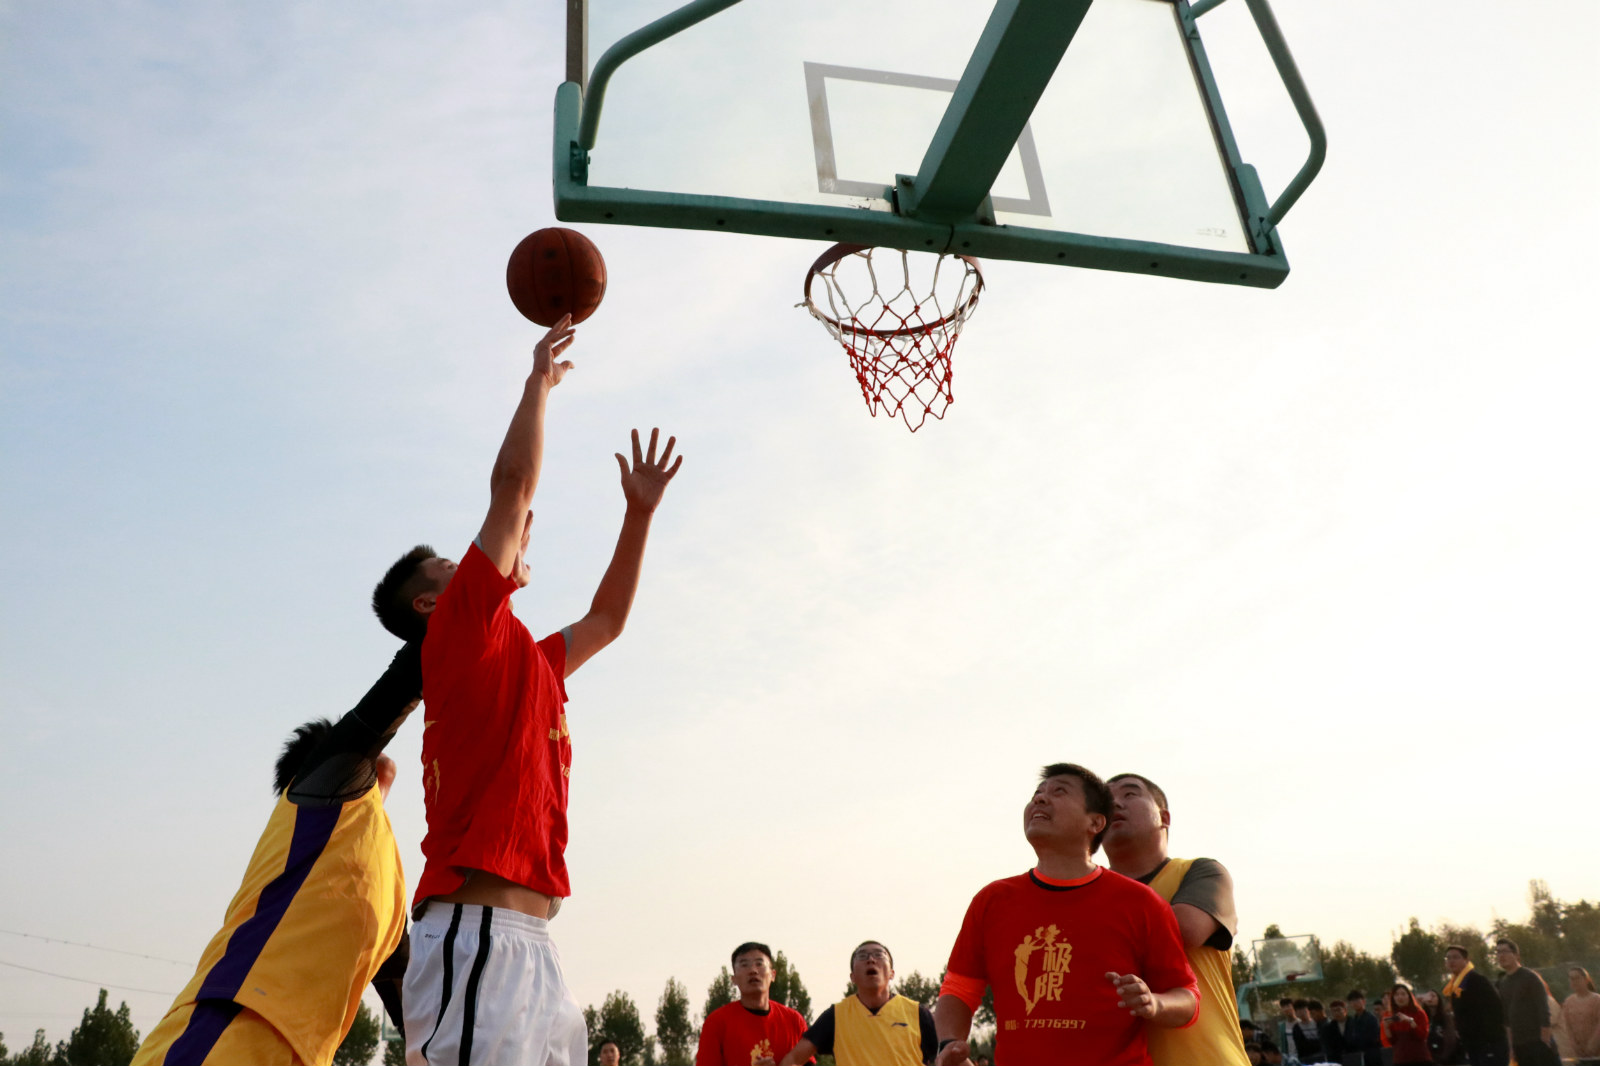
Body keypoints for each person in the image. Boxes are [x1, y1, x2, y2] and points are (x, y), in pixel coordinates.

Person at [375, 318, 684, 1066]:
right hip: (474, 934)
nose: (479, 555)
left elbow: (607, 621)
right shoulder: (458, 633)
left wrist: (638, 515)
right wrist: (537, 385)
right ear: (429, 604)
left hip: (530, 945)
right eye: (453, 562)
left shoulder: (528, 659)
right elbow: (512, 489)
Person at [132, 644, 422, 1066]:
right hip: (225, 1035)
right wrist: (451, 617)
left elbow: (417, 1013)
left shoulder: (383, 888)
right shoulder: (318, 799)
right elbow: (396, 690)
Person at [932, 763, 1199, 1066]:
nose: (1040, 800)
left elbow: (1188, 997)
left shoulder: (1140, 903)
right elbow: (959, 987)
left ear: (1096, 822)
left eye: (1058, 791)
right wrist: (949, 1044)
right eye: (1037, 794)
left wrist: (1155, 1003)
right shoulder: (992, 900)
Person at [1102, 773, 1251, 1066]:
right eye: (1105, 801)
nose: (1115, 803)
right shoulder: (1089, 893)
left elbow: (1183, 931)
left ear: (1164, 817)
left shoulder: (1201, 872)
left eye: (1130, 794)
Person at [779, 941, 935, 1066]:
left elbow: (951, 1055)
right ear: (852, 977)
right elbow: (792, 1060)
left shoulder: (917, 1013)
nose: (871, 960)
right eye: (862, 956)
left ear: (892, 973)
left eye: (879, 955)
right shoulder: (836, 1016)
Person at [697, 942, 809, 1066]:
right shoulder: (717, 1022)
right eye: (744, 965)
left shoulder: (794, 1021)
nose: (753, 970)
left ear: (772, 975)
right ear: (734, 979)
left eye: (759, 964)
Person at [1495, 938, 1558, 1066]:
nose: (1501, 955)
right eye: (1498, 952)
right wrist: (1512, 1047)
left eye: (1505, 951)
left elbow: (1543, 1009)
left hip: (1538, 1041)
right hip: (1520, 1045)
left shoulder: (1530, 977)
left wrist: (1545, 1040)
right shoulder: (1503, 983)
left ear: (1516, 955)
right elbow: (1506, 1019)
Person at [1444, 944, 1506, 1066]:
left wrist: (1488, 1040)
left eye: (1456, 957)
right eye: (1448, 958)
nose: (1451, 961)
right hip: (1473, 1045)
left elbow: (1496, 1009)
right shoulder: (1455, 986)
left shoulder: (1476, 981)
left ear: (1466, 960)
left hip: (1488, 1044)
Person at [1562, 966, 1600, 1066]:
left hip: (1596, 1051)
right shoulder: (1568, 1002)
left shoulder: (1596, 1000)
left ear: (1586, 979)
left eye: (1577, 978)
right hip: (1579, 1052)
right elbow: (1567, 1026)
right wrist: (1574, 1045)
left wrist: (1593, 1043)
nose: (1574, 981)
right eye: (1571, 978)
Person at [1383, 984, 1430, 1065]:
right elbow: (1392, 1041)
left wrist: (1410, 1021)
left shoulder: (1419, 1013)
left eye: (1403, 994)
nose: (1400, 997)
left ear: (1409, 996)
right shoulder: (1391, 1015)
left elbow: (1422, 1035)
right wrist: (1386, 1028)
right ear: (1393, 998)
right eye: (1396, 995)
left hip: (1420, 1058)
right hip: (1400, 1059)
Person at [1344, 990, 1384, 1066]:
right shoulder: (1351, 1021)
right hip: (1358, 1056)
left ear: (1363, 1001)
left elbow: (1374, 1038)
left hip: (1372, 1056)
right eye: (1352, 1001)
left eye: (1357, 1000)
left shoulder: (1371, 1018)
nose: (1354, 1003)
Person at [1320, 999, 1348, 1065]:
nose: (1336, 1013)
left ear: (1345, 1010)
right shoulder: (1328, 1028)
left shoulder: (1354, 1023)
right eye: (1333, 1011)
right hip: (1336, 1059)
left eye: (1338, 1010)